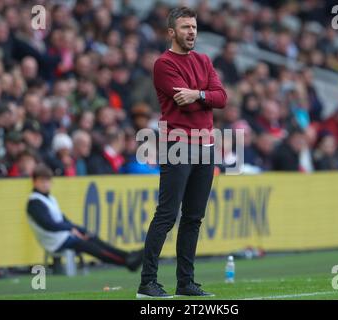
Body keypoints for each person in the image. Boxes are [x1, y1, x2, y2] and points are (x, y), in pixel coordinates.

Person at [137, 7, 227, 298]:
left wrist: (199, 94)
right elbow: (182, 100)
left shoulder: (204, 60)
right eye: (186, 27)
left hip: (206, 145)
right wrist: (204, 96)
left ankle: (185, 282)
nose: (192, 32)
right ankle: (147, 282)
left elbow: (221, 98)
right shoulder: (163, 64)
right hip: (178, 144)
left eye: (194, 27)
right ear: (172, 32)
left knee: (193, 218)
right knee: (166, 215)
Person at [26, 164, 143, 272]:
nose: (45, 184)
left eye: (47, 181)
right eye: (42, 181)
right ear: (34, 182)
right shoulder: (35, 202)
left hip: (61, 235)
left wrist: (78, 229)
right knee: (90, 246)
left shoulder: (49, 198)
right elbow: (49, 225)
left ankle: (128, 256)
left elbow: (62, 220)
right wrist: (71, 229)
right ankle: (126, 262)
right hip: (54, 240)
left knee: (91, 237)